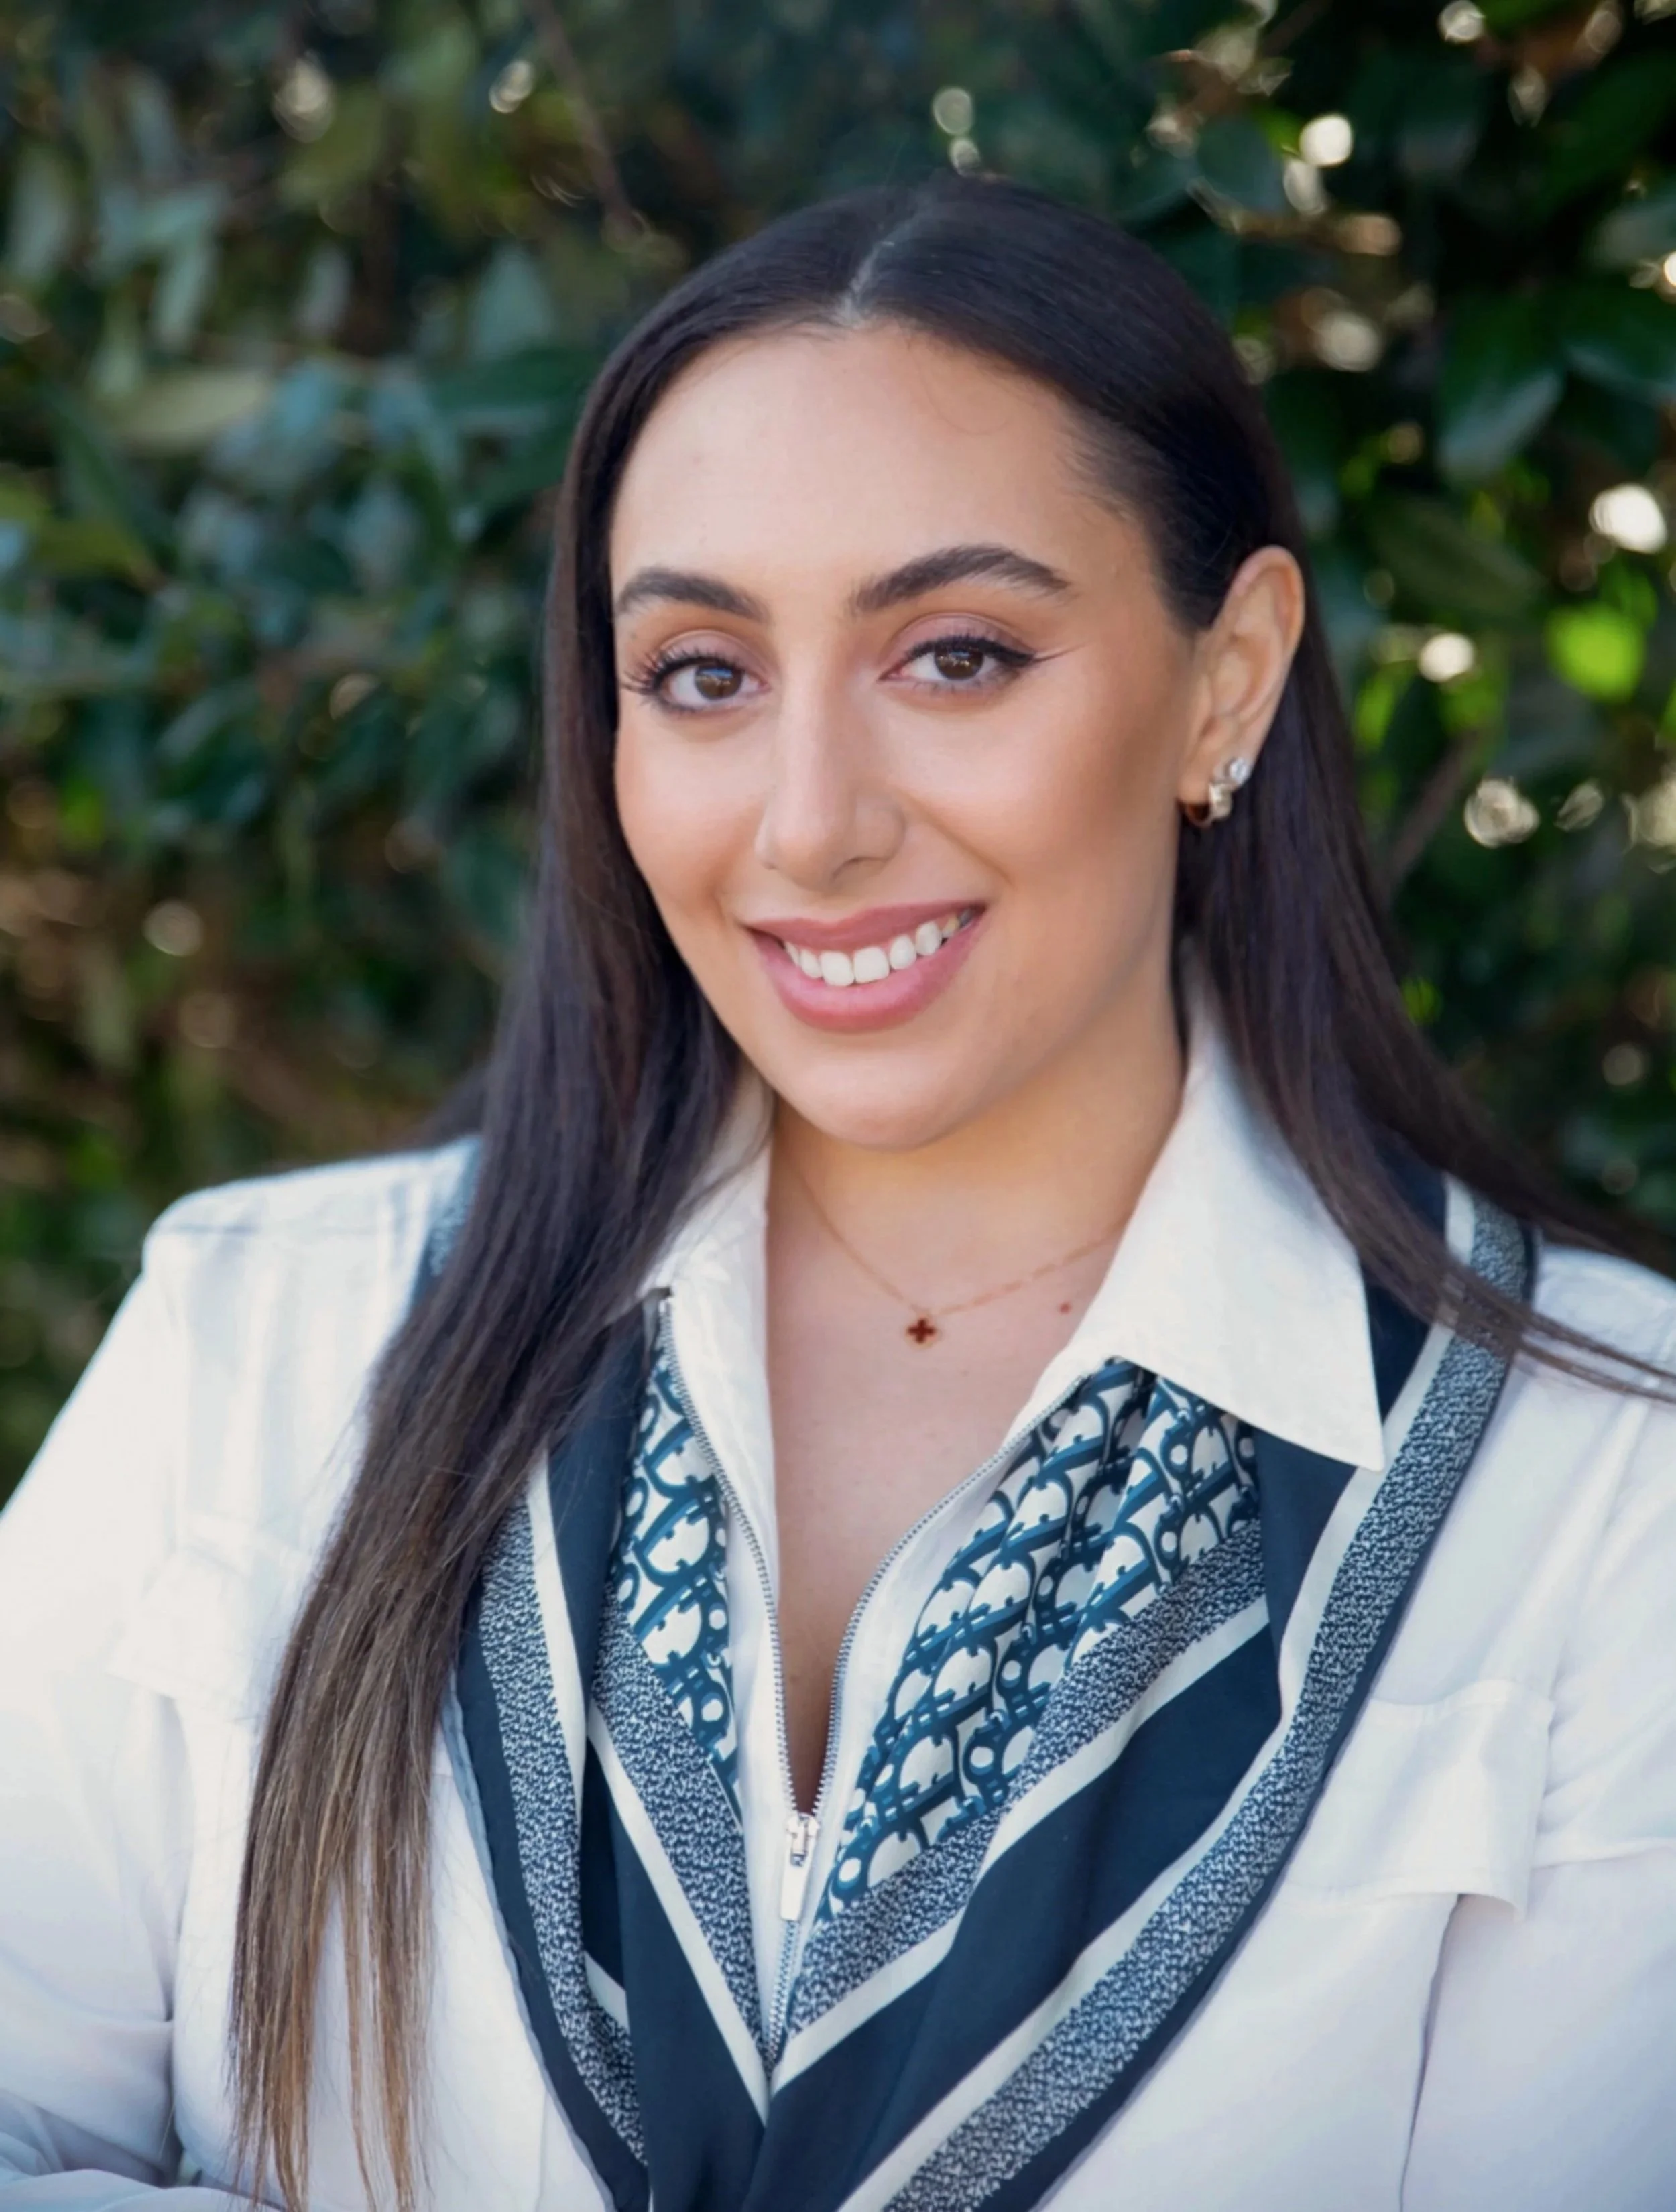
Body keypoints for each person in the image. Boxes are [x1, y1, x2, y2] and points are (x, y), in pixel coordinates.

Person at [3, 172, 1675, 2212]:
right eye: (703, 674)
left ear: (1223, 680)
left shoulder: (1603, 1488)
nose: (807, 825)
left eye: (954, 654)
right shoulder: (261, 1345)